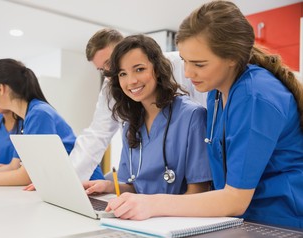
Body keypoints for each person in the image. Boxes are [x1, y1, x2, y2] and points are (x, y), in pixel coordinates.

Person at [106, 1, 303, 229]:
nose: (188, 74)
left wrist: (153, 204)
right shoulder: (216, 93)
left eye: (199, 64)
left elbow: (235, 199)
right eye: (185, 61)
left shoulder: (255, 96)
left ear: (232, 58)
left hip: (282, 225)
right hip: (242, 222)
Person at [69, 28, 205, 183]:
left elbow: (204, 114)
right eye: (102, 70)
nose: (109, 72)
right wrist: (69, 182)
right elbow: (97, 134)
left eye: (110, 62)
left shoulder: (180, 66)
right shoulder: (116, 94)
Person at [0, 58, 104, 187]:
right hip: (68, 186)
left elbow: (26, 176)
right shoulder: (29, 115)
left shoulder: (39, 114)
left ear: (1, 89)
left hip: (88, 187)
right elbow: (13, 167)